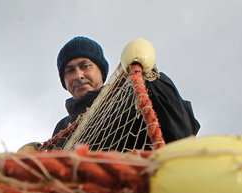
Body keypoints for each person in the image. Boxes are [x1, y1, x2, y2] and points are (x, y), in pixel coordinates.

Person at [50, 36, 200, 150]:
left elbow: (182, 131)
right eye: (70, 71)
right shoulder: (61, 129)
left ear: (101, 72)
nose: (78, 75)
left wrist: (150, 77)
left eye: (85, 66)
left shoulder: (131, 97)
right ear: (64, 81)